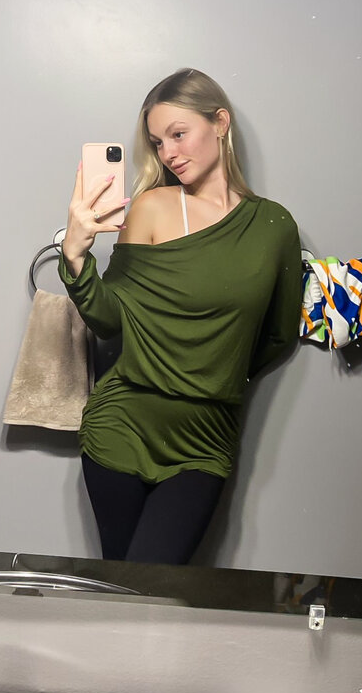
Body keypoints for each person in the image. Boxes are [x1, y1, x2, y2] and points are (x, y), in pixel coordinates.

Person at [58, 68, 302, 565]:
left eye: (178, 134)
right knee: (122, 592)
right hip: (122, 426)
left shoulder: (273, 226)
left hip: (204, 441)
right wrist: (75, 256)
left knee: (151, 589)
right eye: (157, 142)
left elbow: (278, 334)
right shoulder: (152, 207)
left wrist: (216, 378)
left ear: (220, 123)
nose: (168, 153)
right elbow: (111, 321)